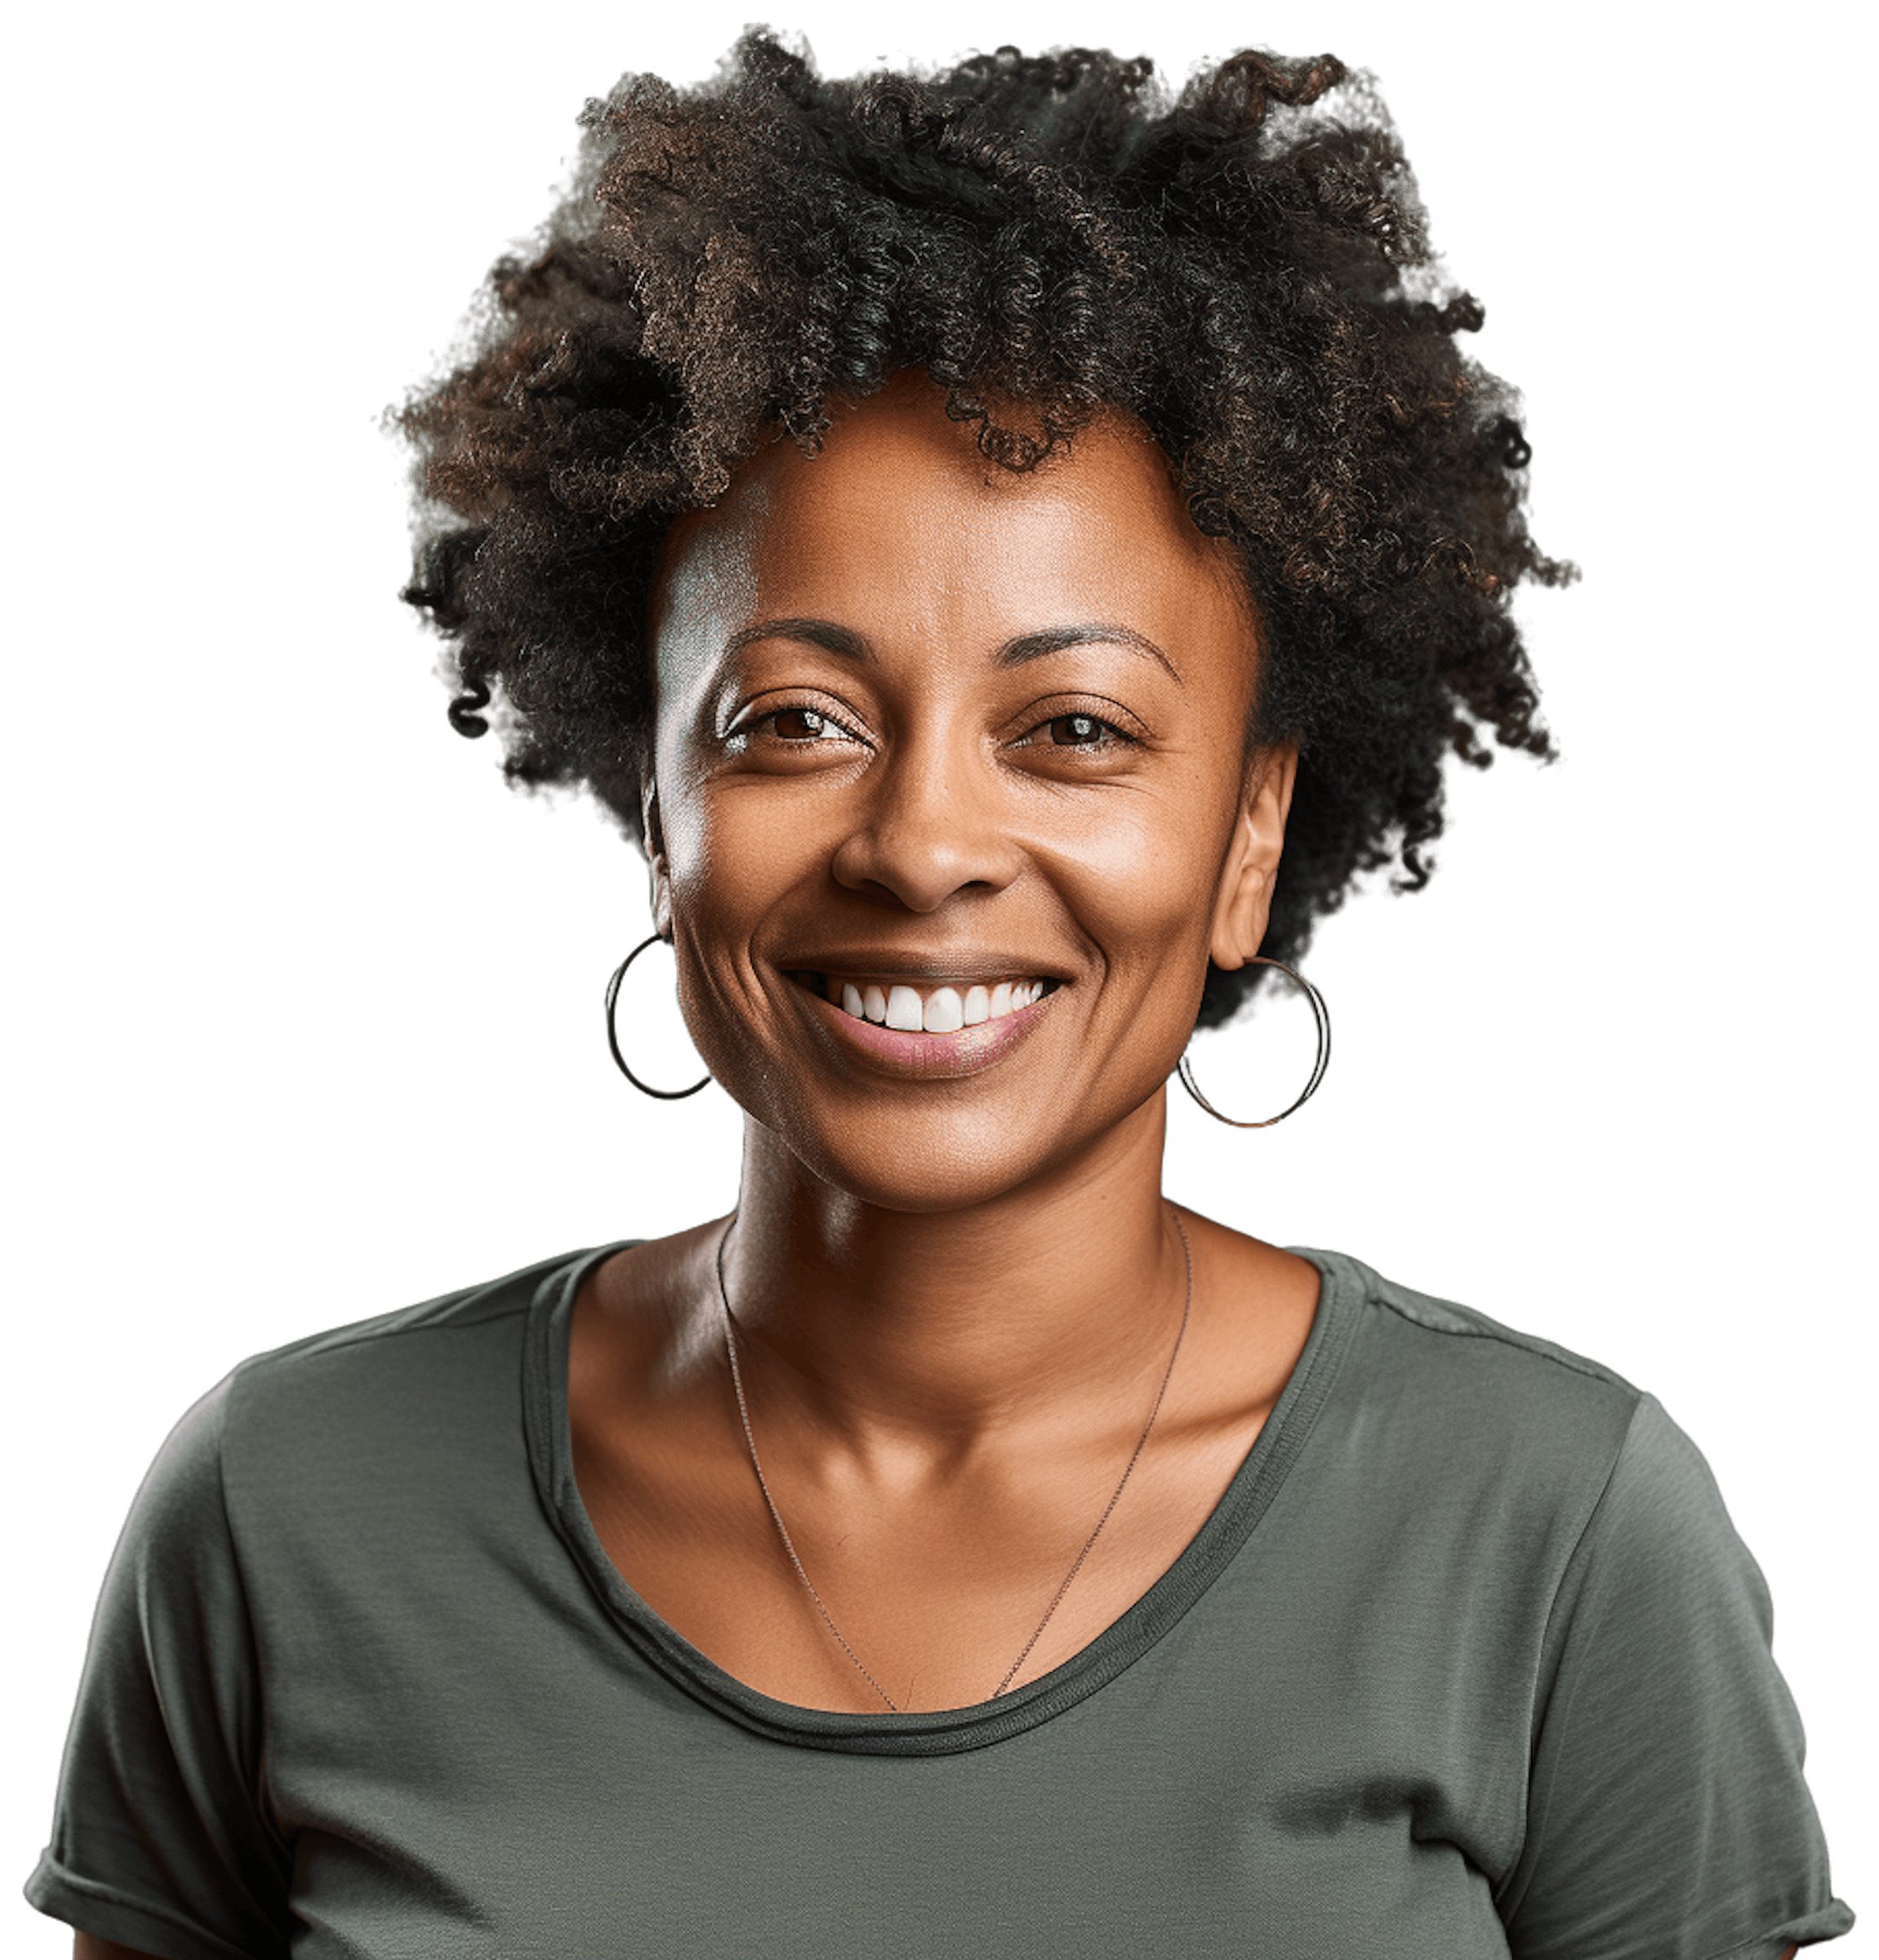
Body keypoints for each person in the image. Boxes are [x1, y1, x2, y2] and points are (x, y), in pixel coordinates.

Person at [26, 27, 1854, 1959]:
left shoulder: (1557, 1536)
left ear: (1249, 837)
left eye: (1072, 728)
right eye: (794, 719)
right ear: (656, 809)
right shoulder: (284, 1508)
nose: (919, 844)